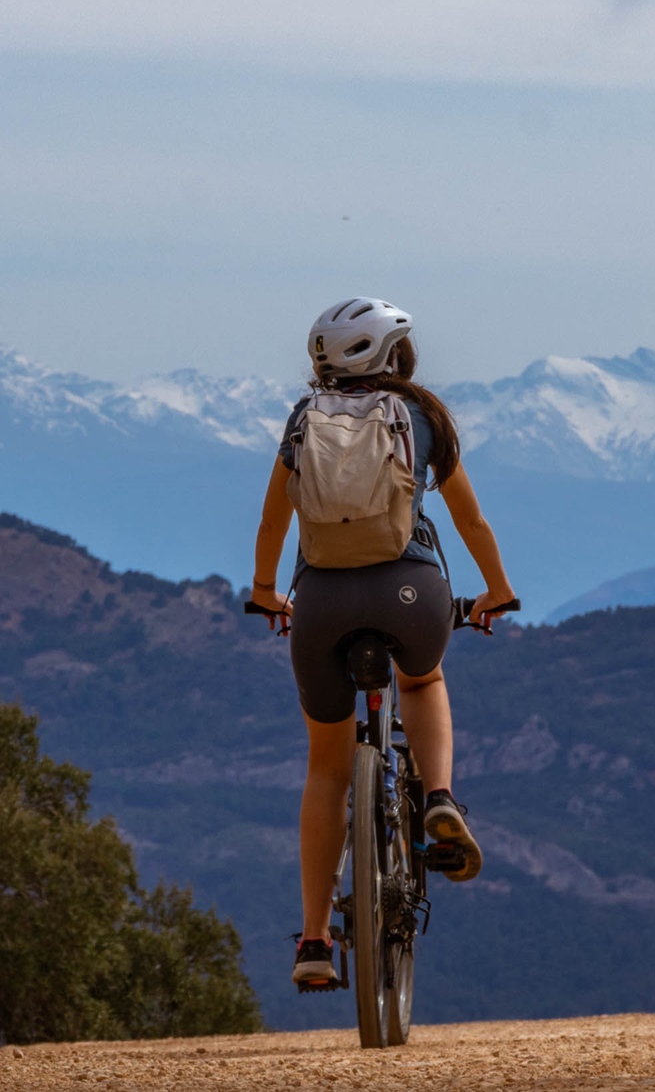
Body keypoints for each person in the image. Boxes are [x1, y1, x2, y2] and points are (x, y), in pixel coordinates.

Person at [248, 298, 518, 989]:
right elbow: (472, 520)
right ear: (395, 354)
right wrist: (497, 590)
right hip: (410, 593)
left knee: (326, 769)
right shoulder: (422, 414)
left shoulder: (304, 420)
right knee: (423, 679)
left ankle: (314, 941)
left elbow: (273, 523)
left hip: (320, 603)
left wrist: (266, 591)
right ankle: (440, 798)